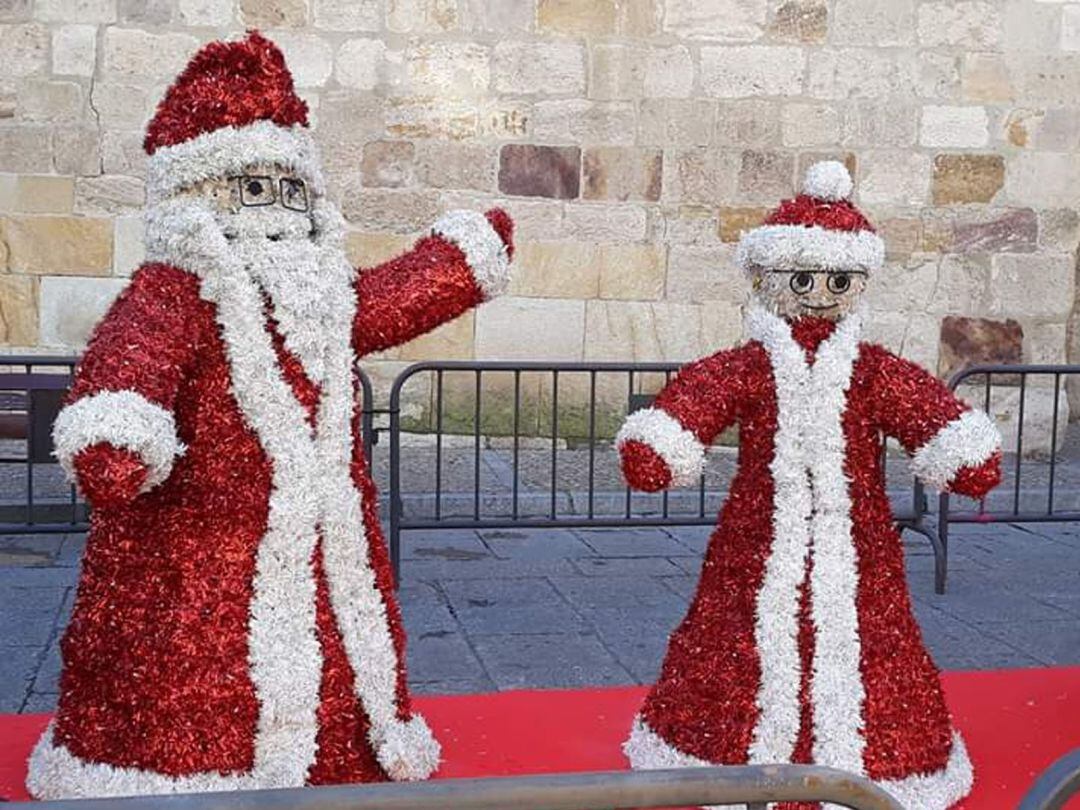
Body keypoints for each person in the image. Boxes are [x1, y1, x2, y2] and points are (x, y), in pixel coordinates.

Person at [28, 31, 513, 798]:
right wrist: (118, 427)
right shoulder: (175, 289)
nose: (282, 213)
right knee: (194, 677)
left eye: (294, 192)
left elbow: (381, 301)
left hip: (319, 542)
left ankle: (338, 751)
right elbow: (136, 349)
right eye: (257, 190)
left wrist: (459, 263)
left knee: (331, 648)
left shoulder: (321, 295)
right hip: (191, 556)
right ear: (202, 196)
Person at [616, 161, 1001, 809]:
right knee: (736, 642)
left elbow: (923, 408)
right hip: (758, 541)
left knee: (868, 642)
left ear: (858, 282)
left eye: (838, 280)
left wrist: (958, 447)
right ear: (768, 279)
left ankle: (868, 765)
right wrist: (661, 439)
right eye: (803, 278)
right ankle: (725, 755)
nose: (820, 293)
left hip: (859, 548)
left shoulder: (871, 371)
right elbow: (700, 399)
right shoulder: (753, 365)